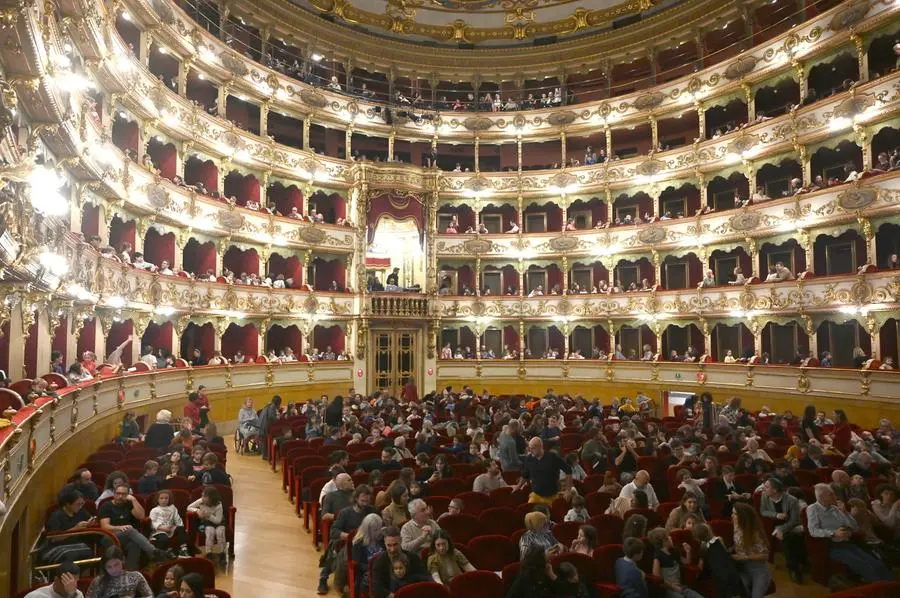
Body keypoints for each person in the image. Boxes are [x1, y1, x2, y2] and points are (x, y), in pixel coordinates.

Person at [807, 483, 894, 582]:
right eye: (831, 494)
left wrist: (845, 512)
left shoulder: (835, 508)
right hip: (833, 546)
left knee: (877, 564)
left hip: (848, 543)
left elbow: (854, 527)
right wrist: (833, 533)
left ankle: (893, 586)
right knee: (866, 567)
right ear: (821, 497)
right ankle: (881, 589)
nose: (835, 496)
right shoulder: (812, 509)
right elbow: (813, 531)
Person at [99, 484, 167, 569]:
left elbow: (141, 516)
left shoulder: (128, 504)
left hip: (127, 538)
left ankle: (130, 571)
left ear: (128, 495)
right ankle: (153, 552)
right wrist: (119, 528)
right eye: (118, 493)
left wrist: (134, 500)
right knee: (129, 530)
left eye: (123, 494)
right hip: (110, 537)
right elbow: (105, 527)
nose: (120, 496)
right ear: (114, 493)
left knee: (135, 544)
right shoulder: (106, 506)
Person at [759, 477, 805, 582]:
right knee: (787, 538)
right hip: (774, 525)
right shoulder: (764, 496)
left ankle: (795, 565)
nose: (764, 488)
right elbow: (763, 511)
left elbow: (794, 520)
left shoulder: (792, 500)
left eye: (766, 486)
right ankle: (795, 567)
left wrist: (781, 529)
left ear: (774, 490)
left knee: (789, 538)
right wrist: (776, 515)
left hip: (791, 525)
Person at [371, 526, 428, 598]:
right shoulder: (379, 562)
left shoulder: (413, 558)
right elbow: (378, 589)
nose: (392, 549)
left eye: (395, 545)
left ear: (401, 540)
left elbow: (425, 577)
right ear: (384, 542)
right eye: (389, 545)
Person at [692, 523, 743, 598]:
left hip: (719, 576)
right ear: (710, 531)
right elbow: (726, 553)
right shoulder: (719, 539)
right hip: (730, 570)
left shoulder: (703, 547)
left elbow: (700, 566)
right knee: (736, 592)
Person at [44, 488, 95, 563]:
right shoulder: (56, 516)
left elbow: (89, 518)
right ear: (68, 504)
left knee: (88, 551)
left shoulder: (81, 511)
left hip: (78, 544)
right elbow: (54, 538)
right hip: (59, 546)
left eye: (82, 504)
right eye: (78, 504)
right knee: (71, 555)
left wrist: (91, 522)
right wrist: (75, 528)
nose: (80, 506)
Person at [648, 527, 702, 598]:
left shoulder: (674, 551)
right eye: (668, 536)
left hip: (681, 587)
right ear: (664, 541)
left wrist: (688, 551)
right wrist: (673, 587)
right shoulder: (658, 556)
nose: (671, 537)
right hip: (668, 589)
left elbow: (687, 562)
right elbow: (658, 578)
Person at [732, 503, 771, 598]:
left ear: (743, 516)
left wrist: (743, 557)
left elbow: (765, 556)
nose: (732, 516)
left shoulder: (755, 533)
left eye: (735, 514)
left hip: (758, 570)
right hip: (743, 568)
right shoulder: (736, 526)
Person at [517, 437, 571, 505]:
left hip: (552, 496)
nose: (530, 451)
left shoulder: (552, 457)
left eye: (533, 448)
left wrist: (568, 490)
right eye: (529, 448)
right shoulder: (529, 459)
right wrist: (518, 487)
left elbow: (568, 470)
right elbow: (525, 475)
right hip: (536, 496)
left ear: (540, 446)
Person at [85, 546, 153, 598]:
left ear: (123, 560)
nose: (114, 570)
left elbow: (150, 596)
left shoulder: (135, 576)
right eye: (109, 567)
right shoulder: (98, 581)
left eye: (116, 564)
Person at [187, 485, 227, 565]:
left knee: (220, 532)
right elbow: (189, 507)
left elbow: (217, 520)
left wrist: (208, 515)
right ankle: (209, 553)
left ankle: (222, 554)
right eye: (202, 496)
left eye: (205, 496)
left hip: (219, 522)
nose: (202, 498)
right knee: (210, 532)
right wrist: (198, 511)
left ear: (211, 498)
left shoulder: (219, 505)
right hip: (207, 523)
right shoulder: (201, 501)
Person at [149, 490, 193, 557]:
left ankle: (183, 550)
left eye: (166, 498)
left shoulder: (172, 508)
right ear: (157, 499)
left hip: (170, 529)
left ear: (169, 499)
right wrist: (161, 527)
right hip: (159, 530)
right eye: (161, 498)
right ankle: (167, 551)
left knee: (180, 528)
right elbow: (152, 522)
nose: (164, 500)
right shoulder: (155, 510)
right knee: (164, 538)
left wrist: (181, 528)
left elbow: (177, 519)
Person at [351, 513, 384, 597]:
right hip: (367, 573)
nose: (379, 532)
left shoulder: (382, 538)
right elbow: (358, 565)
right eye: (376, 530)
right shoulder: (358, 543)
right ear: (367, 530)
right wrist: (374, 568)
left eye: (380, 528)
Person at [257, 395, 282, 460]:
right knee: (265, 440)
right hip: (264, 426)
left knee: (264, 440)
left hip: (262, 425)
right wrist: (278, 418)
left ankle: (265, 455)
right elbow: (271, 417)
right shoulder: (272, 406)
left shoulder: (269, 405)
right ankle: (265, 455)